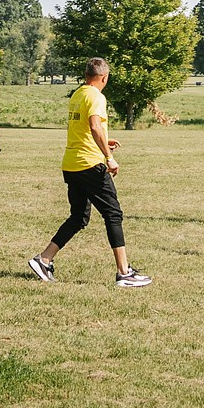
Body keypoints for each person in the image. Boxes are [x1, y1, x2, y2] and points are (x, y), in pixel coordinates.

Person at [28, 57, 150, 287]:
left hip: (72, 164)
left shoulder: (78, 94)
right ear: (104, 77)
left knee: (78, 218)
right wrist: (109, 157)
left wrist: (104, 140)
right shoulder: (96, 96)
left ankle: (43, 259)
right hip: (90, 165)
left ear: (86, 76)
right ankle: (124, 272)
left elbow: (84, 128)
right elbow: (94, 125)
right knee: (113, 214)